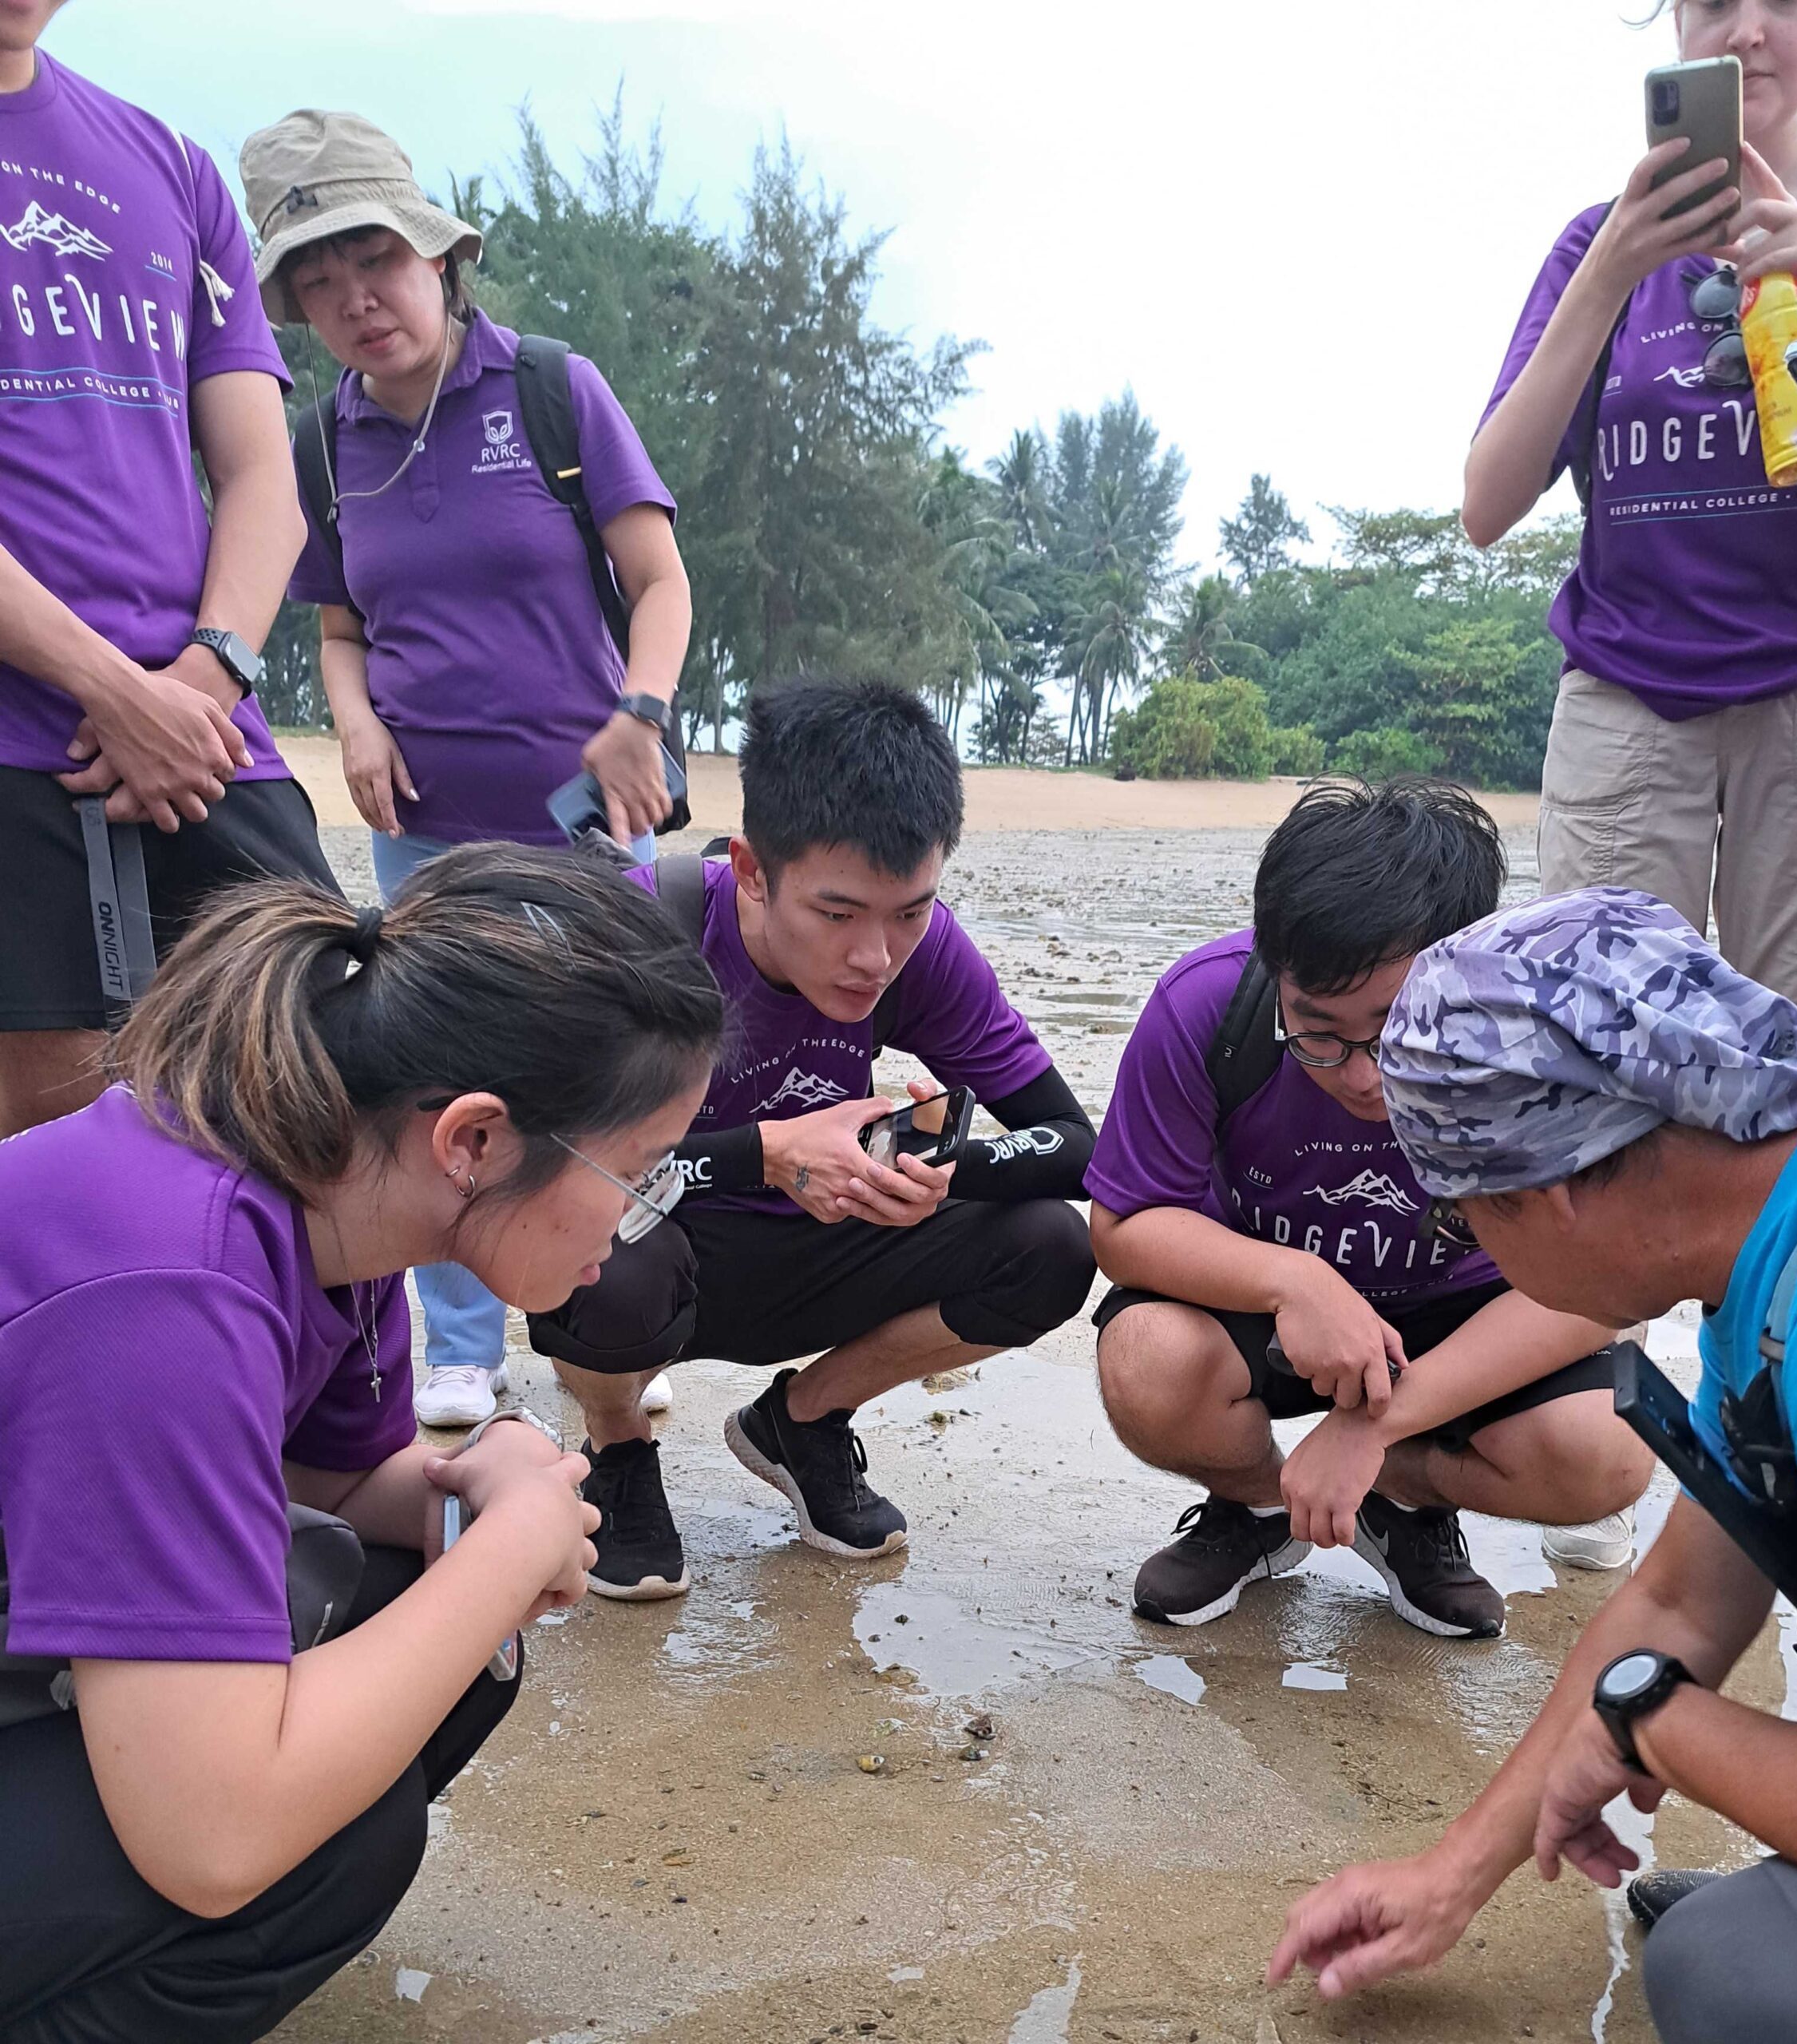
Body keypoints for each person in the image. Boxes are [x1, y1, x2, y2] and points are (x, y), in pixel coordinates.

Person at [1267, 888, 1797, 2044]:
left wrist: (1661, 1729)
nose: (1475, 1258)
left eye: (1461, 1224)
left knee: (1738, 1971)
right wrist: (1449, 1880)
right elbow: (1682, 1597)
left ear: (1555, 1187)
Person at [0, 844, 724, 2039]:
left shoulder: (321, 1187)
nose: (636, 1228)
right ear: (474, 1142)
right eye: (636, 1175)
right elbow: (212, 1838)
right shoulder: (168, 1290)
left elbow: (329, 1475)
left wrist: (478, 1475)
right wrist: (507, 1554)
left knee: (417, 1628)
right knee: (314, 1845)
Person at [241, 109, 695, 1428]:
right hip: (425, 833)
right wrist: (356, 725)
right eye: (318, 286)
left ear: (436, 257)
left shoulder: (555, 390)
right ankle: (454, 1349)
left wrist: (643, 712)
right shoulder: (325, 446)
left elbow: (660, 580)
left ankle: (607, 1317)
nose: (356, 303)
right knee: (436, 1086)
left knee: (615, 1072)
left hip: (585, 819)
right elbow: (339, 625)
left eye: (373, 262)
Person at [528, 680, 1097, 1600]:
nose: (877, 956)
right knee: (601, 1262)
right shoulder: (645, 929)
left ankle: (804, 1418)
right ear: (753, 870)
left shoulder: (926, 954)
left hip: (827, 1249)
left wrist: (942, 1172)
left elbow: (1074, 1144)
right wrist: (766, 1152)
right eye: (837, 915)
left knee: (1053, 1247)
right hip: (666, 1245)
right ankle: (619, 1445)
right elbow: (542, 1168)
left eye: (909, 910)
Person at [1466, 0, 1797, 1043]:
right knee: (1599, 1063)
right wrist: (1611, 266)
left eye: (1783, 2)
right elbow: (1488, 502)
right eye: (1712, 3)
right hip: (1626, 697)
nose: (1745, 31)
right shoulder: (1594, 245)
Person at [1087, 781, 1651, 1638]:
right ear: (1274, 971)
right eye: (1316, 1029)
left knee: (1607, 1451)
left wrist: (1378, 1428)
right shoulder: (1205, 1007)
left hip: (1463, 1319)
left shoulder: (1544, 1046)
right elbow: (1123, 1226)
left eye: (1394, 1030)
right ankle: (1256, 1505)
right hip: (1269, 1316)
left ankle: (1400, 1495)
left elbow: (1605, 1288)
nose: (1358, 1074)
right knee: (1145, 1360)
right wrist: (1294, 1280)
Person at [0, 3, 337, 1139]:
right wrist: (111, 691)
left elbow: (259, 478)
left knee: (336, 1076)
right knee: (57, 1161)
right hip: (20, 745)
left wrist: (203, 681)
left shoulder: (172, 168)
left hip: (202, 740)